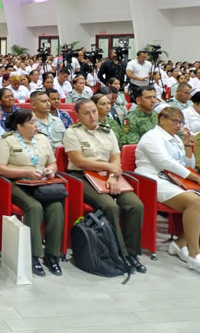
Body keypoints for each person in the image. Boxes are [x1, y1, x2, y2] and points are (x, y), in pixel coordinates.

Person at [63, 99, 147, 273]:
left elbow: (116, 158)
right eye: (86, 113)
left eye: (94, 111)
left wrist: (113, 176)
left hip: (109, 176)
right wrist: (109, 168)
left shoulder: (107, 131)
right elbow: (79, 161)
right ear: (77, 116)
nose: (92, 116)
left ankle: (132, 253)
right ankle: (119, 253)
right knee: (109, 206)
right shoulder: (73, 133)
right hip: (82, 176)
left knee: (135, 205)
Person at [0, 109, 63, 276]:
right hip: (17, 182)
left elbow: (54, 164)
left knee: (56, 207)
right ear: (20, 126)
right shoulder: (7, 141)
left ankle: (52, 255)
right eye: (31, 122)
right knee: (34, 207)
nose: (36, 125)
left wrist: (50, 170)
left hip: (41, 182)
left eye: (35, 122)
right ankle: (33, 254)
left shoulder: (43, 139)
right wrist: (25, 172)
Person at [135, 106, 200, 269]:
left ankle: (179, 243)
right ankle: (194, 252)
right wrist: (195, 178)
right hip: (152, 180)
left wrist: (187, 146)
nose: (179, 125)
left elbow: (187, 165)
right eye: (175, 121)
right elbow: (166, 163)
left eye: (181, 122)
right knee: (195, 202)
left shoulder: (175, 138)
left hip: (174, 180)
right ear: (162, 119)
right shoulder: (151, 137)